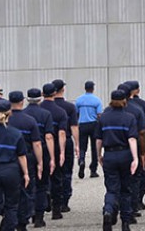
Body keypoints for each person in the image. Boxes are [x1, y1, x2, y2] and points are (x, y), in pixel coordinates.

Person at [0, 99, 30, 231]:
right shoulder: (15, 133)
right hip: (11, 170)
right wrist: (25, 173)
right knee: (12, 205)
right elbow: (21, 155)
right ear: (10, 112)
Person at [96, 89, 140, 231]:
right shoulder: (129, 117)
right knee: (126, 190)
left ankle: (108, 211)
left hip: (109, 155)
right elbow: (132, 139)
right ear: (124, 100)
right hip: (125, 154)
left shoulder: (103, 118)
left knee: (111, 189)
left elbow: (98, 140)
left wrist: (99, 155)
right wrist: (135, 158)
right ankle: (125, 223)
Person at [8, 91, 43, 231]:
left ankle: (10, 217)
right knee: (27, 189)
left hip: (8, 158)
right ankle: (22, 221)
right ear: (22, 101)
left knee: (10, 190)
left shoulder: (5, 120)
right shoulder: (29, 120)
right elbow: (37, 143)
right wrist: (40, 162)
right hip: (27, 157)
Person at [23, 88, 55, 229]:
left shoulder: (22, 114)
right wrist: (52, 157)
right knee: (42, 185)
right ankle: (39, 217)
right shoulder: (45, 114)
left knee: (27, 185)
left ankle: (27, 213)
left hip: (24, 154)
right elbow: (48, 136)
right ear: (40, 98)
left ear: (27, 98)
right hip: (41, 150)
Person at [40, 83, 68, 220]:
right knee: (56, 178)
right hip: (55, 147)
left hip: (37, 147)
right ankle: (56, 210)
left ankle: (38, 209)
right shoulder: (60, 112)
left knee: (39, 179)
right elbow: (62, 133)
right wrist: (62, 151)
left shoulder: (36, 110)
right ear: (54, 93)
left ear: (42, 93)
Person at [124, 81, 145, 214]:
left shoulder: (109, 110)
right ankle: (137, 201)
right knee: (139, 175)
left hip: (117, 148)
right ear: (137, 91)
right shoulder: (142, 106)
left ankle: (120, 204)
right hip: (137, 145)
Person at [52, 79, 79, 213]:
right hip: (66, 140)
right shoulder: (69, 107)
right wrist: (77, 144)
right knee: (66, 171)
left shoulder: (44, 107)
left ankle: (52, 197)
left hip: (49, 142)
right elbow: (74, 127)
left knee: (52, 171)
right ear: (63, 89)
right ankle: (64, 201)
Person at [76, 81, 103, 179]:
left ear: (85, 88)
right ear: (93, 88)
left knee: (82, 146)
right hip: (94, 125)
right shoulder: (97, 100)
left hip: (82, 124)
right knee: (94, 147)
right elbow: (99, 115)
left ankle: (82, 160)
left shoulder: (79, 100)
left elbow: (76, 113)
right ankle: (93, 170)